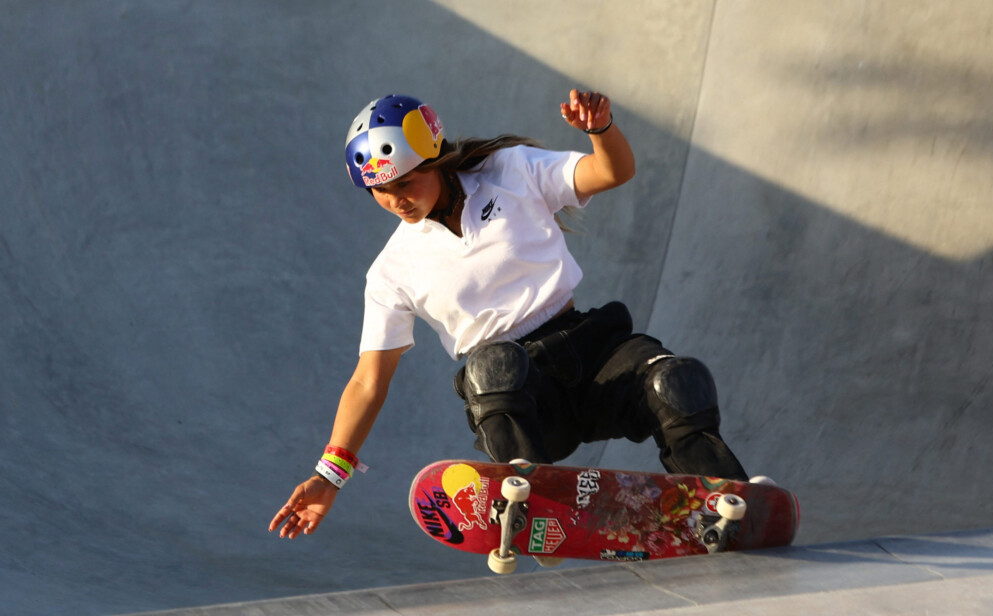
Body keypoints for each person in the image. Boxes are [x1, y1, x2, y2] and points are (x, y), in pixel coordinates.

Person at [269, 89, 748, 540]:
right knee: (491, 366)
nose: (395, 199)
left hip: (592, 352)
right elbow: (368, 382)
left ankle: (727, 503)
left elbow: (612, 172)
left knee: (677, 382)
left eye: (405, 182)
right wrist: (327, 476)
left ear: (433, 161)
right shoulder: (391, 272)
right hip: (520, 402)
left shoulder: (510, 170)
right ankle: (536, 503)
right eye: (379, 190)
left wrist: (601, 130)